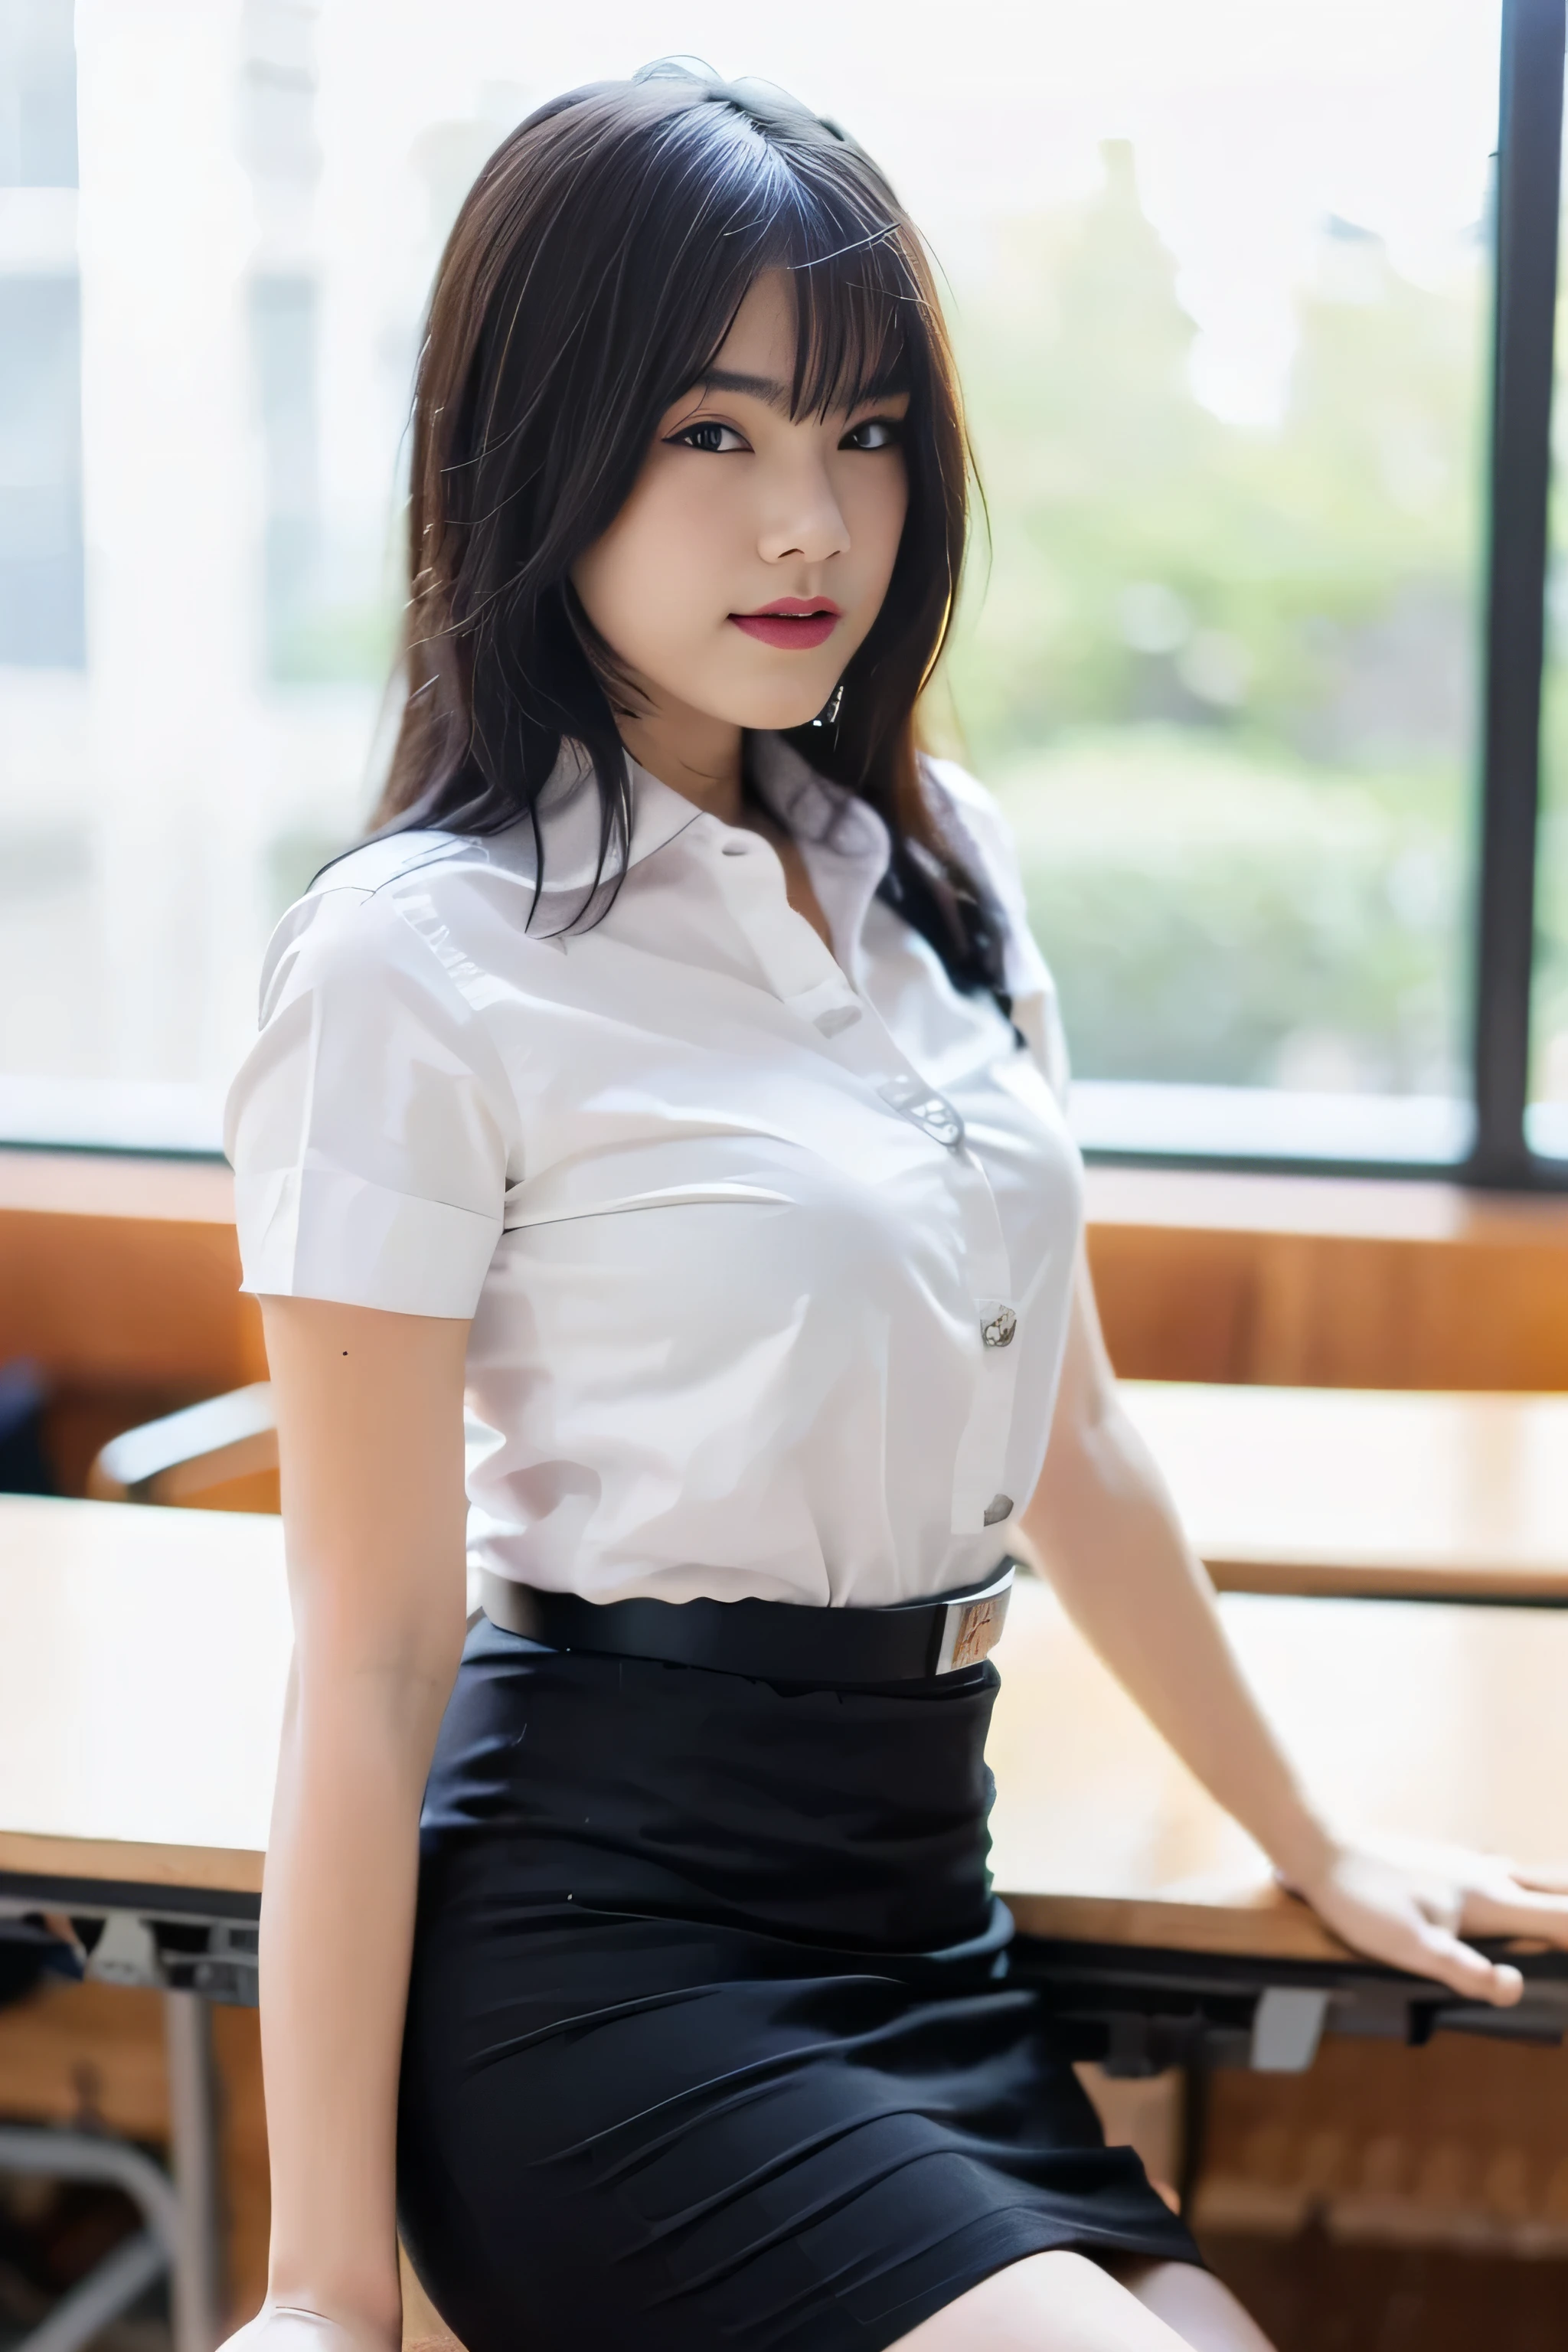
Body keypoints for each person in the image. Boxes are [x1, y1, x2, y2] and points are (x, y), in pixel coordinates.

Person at [221, 66, 1568, 2352]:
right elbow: (363, 1654)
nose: (809, 524)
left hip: (917, 1901)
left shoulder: (937, 874)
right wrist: (327, 2286)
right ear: (539, 447)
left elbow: (1082, 1441)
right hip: (608, 1946)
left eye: (862, 437)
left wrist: (1313, 1831)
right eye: (717, 436)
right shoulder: (416, 960)